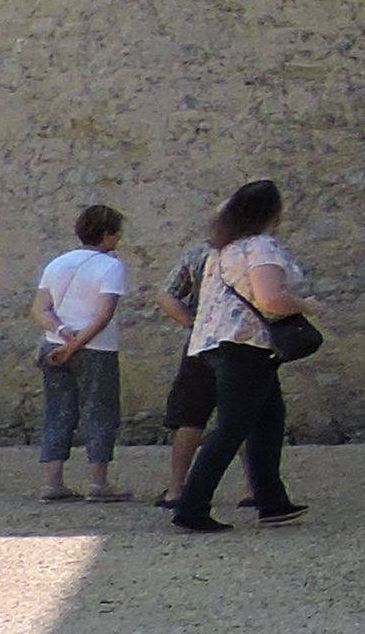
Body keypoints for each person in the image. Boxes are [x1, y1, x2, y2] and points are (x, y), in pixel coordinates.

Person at [164, 181, 311, 533]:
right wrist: (306, 304)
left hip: (218, 344)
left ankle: (272, 501)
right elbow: (270, 299)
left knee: (268, 420)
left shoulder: (222, 251)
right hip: (246, 345)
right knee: (232, 428)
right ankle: (192, 506)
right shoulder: (260, 248)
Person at [32, 204, 131, 503]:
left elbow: (39, 308)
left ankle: (53, 480)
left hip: (53, 344)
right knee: (100, 412)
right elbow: (102, 317)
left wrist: (62, 334)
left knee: (58, 411)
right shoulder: (111, 267)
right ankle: (98, 482)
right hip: (96, 349)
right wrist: (76, 345)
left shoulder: (56, 264)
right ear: (107, 235)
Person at [152, 228, 218, 504]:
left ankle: (177, 489)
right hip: (243, 343)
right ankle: (255, 489)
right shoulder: (250, 253)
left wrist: (193, 323)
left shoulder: (198, 253)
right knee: (241, 417)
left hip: (201, 343)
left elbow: (166, 297)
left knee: (191, 418)